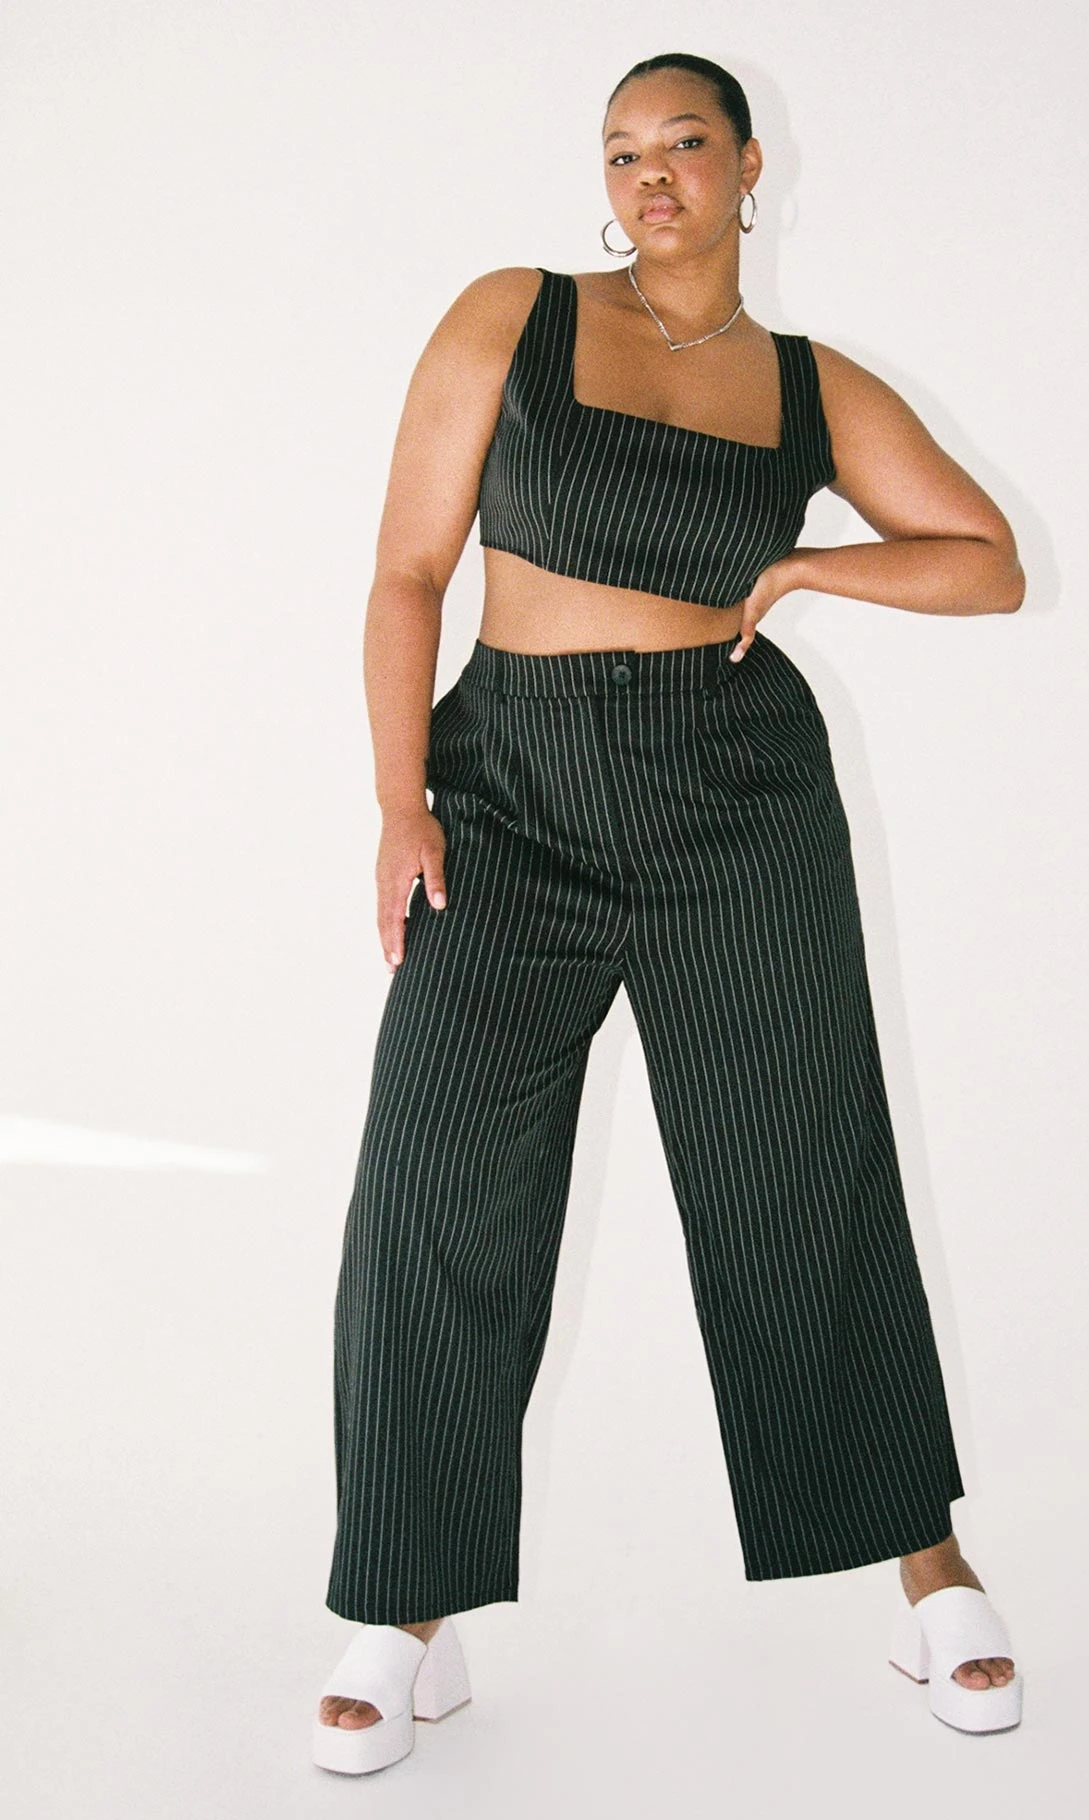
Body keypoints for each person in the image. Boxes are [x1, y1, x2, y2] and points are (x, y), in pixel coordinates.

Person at [312, 52, 1027, 1776]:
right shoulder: (516, 316)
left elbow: (986, 560)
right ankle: (404, 1608)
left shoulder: (810, 387)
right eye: (623, 150)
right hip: (508, 792)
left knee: (802, 1169)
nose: (651, 176)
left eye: (685, 143)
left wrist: (804, 568)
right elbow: (408, 570)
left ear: (749, 168)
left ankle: (927, 1567)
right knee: (437, 1182)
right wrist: (402, 799)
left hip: (735, 792)